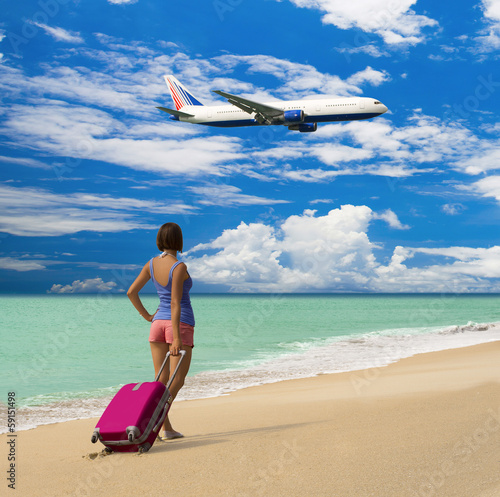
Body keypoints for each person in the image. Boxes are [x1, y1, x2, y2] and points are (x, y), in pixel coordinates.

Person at [127, 222, 195, 441]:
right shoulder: (179, 266)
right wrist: (176, 336)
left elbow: (131, 292)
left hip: (157, 324)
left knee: (160, 380)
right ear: (179, 240)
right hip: (179, 324)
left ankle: (164, 429)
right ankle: (153, 421)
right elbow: (176, 303)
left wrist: (147, 316)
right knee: (177, 380)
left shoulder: (151, 264)